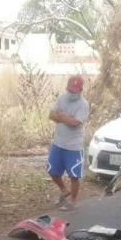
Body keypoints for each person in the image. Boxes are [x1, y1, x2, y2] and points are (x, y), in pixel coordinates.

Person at [48, 75, 89, 210]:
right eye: (70, 90)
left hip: (74, 146)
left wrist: (62, 116)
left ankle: (73, 201)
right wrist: (66, 118)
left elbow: (75, 123)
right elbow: (51, 115)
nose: (72, 93)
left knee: (74, 175)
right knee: (52, 171)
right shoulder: (62, 98)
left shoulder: (83, 104)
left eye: (75, 91)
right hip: (58, 142)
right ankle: (64, 190)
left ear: (81, 90)